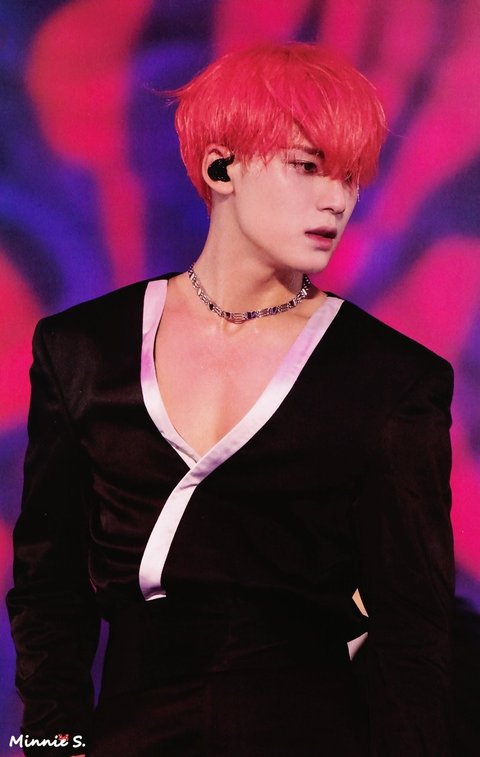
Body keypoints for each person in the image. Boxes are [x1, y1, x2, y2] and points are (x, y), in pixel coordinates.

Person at [7, 42, 454, 756]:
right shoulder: (85, 349)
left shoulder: (390, 378)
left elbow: (413, 625)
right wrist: (52, 745)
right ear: (222, 167)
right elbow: (48, 586)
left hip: (309, 731)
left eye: (350, 176)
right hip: (131, 728)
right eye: (308, 166)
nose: (337, 199)